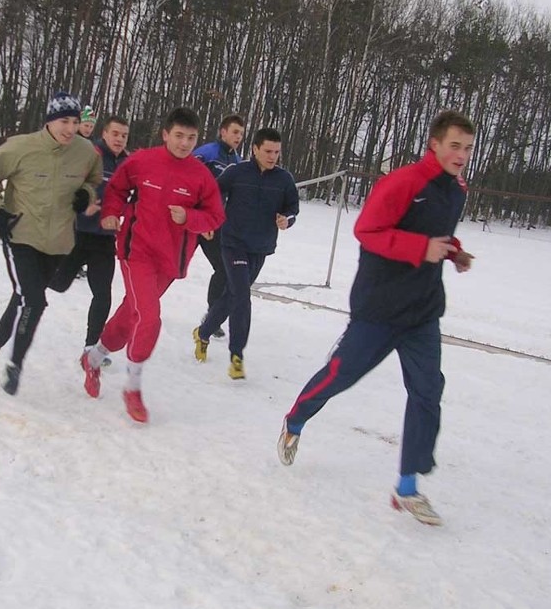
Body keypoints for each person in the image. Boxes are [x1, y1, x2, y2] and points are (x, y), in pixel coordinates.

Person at [277, 110, 476, 526]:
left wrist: (454, 252)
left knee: (427, 391)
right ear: (435, 144)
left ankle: (407, 486)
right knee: (342, 374)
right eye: (455, 145)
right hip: (379, 308)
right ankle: (296, 417)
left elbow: (437, 231)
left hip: (422, 312)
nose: (461, 154)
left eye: (468, 148)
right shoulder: (403, 182)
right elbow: (367, 230)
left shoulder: (456, 189)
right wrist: (421, 249)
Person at [80, 107, 225, 423]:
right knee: (148, 316)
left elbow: (215, 216)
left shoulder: (200, 175)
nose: (185, 143)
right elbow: (117, 188)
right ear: (165, 134)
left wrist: (191, 218)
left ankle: (92, 359)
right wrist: (111, 212)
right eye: (178, 136)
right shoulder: (143, 161)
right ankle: (133, 387)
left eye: (191, 138)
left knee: (128, 315)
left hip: (170, 260)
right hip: (137, 252)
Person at [0, 91, 102, 395]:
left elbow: (93, 180)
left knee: (22, 301)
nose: (70, 128)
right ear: (49, 122)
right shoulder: (22, 147)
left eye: (74, 121)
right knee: (34, 300)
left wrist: (86, 194)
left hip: (58, 242)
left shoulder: (85, 152)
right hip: (20, 237)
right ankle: (14, 366)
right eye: (63, 121)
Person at [192, 128, 299, 379]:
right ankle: (236, 355)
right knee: (241, 294)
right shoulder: (237, 173)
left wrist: (287, 220)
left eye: (276, 152)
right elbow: (213, 193)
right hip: (233, 243)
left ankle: (204, 332)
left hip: (260, 247)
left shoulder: (284, 179)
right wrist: (210, 219)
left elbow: (292, 208)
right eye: (268, 151)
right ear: (255, 149)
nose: (273, 156)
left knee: (232, 296)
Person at [49, 116, 130, 363]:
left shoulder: (128, 163)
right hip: (78, 233)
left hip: (105, 240)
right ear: (104, 134)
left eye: (124, 135)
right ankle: (33, 275)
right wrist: (80, 205)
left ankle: (90, 346)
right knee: (59, 283)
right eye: (115, 134)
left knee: (103, 294)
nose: (119, 139)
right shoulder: (89, 154)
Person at [193, 114, 245, 338]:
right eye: (235, 132)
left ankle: (212, 315)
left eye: (241, 134)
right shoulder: (207, 153)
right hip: (192, 220)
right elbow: (189, 180)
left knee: (224, 268)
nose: (238, 137)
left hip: (215, 224)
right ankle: (142, 306)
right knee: (168, 267)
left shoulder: (237, 161)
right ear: (223, 132)